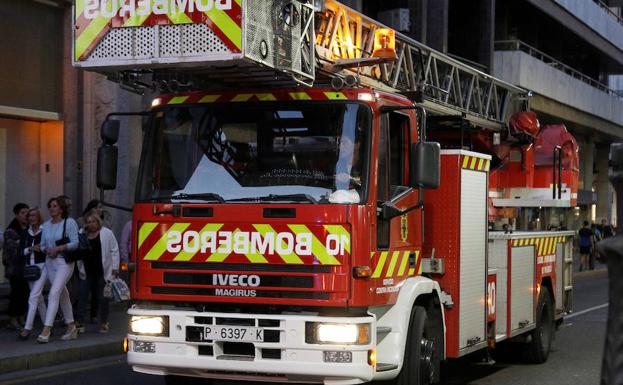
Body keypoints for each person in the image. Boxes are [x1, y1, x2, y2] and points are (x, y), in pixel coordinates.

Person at [38, 196, 80, 343]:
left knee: (54, 293)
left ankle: (46, 329)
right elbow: (42, 244)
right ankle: (71, 326)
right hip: (50, 262)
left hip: (64, 262)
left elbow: (75, 243)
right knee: (62, 294)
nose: (51, 208)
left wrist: (59, 248)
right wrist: (46, 250)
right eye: (50, 206)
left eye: (54, 206)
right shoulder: (46, 225)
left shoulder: (69, 222)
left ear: (61, 208)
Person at [77, 210, 120, 333]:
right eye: (88, 222)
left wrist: (115, 267)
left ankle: (104, 322)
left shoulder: (107, 233)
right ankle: (80, 322)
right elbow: (79, 250)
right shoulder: (82, 234)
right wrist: (83, 232)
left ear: (98, 222)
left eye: (93, 221)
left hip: (103, 271)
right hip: (87, 271)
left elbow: (114, 250)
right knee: (82, 296)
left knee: (103, 298)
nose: (91, 224)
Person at [18, 208, 47, 340]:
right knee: (39, 298)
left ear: (39, 217)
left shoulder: (45, 230)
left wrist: (41, 248)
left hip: (43, 266)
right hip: (29, 268)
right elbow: (20, 252)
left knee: (33, 296)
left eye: (34, 215)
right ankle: (48, 324)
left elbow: (48, 247)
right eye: (30, 215)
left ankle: (27, 328)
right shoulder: (25, 232)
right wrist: (30, 248)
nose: (31, 217)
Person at [3, 202, 30, 330]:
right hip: (14, 268)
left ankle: (21, 316)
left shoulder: (29, 228)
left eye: (27, 213)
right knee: (16, 293)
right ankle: (13, 318)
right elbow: (11, 250)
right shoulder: (11, 230)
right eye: (23, 213)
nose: (26, 215)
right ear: (17, 214)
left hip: (26, 267)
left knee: (25, 292)